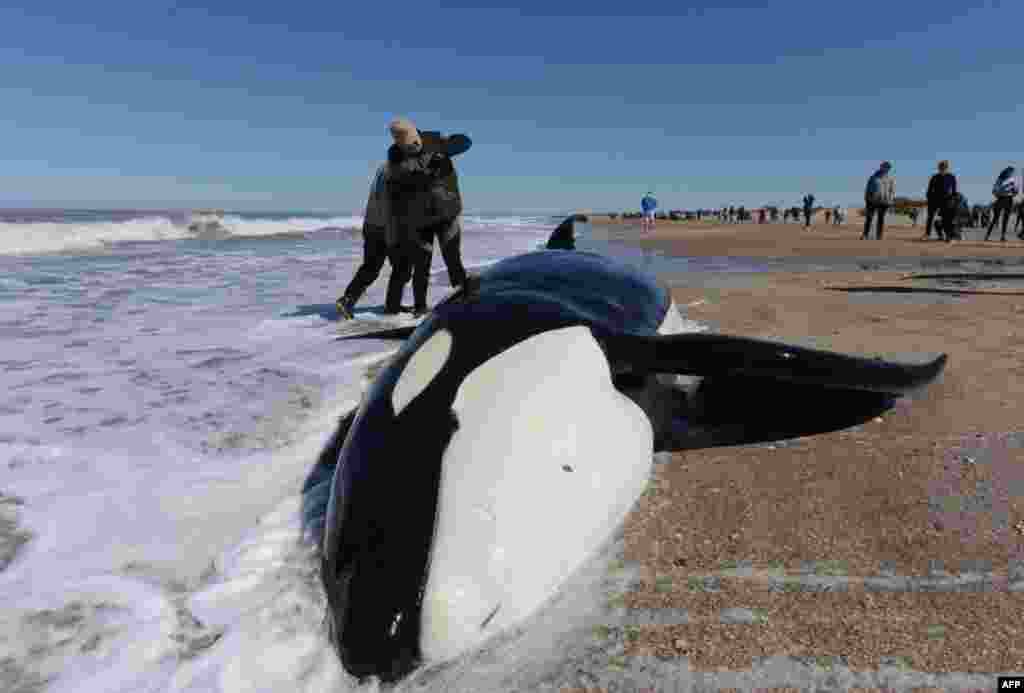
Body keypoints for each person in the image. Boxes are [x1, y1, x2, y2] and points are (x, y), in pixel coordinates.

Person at [385, 118, 478, 315]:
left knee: (452, 259)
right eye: (409, 147)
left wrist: (445, 150)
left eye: (416, 143)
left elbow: (465, 142)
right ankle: (420, 307)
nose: (415, 147)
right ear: (400, 145)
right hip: (419, 220)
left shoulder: (434, 139)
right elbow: (400, 181)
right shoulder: (394, 156)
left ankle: (464, 301)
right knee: (421, 264)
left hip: (447, 213)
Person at [335, 163, 412, 318]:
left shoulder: (385, 167)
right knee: (402, 267)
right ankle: (392, 306)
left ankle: (347, 300)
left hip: (372, 224)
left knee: (371, 267)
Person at [861, 161, 895, 240]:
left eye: (888, 168)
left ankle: (879, 235)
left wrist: (890, 199)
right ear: (881, 167)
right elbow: (867, 189)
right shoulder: (873, 177)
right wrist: (867, 199)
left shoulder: (890, 179)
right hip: (872, 201)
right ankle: (865, 234)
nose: (886, 169)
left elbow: (892, 190)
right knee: (869, 218)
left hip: (884, 201)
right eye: (884, 167)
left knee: (881, 219)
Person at [927, 161, 958, 243]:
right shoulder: (934, 177)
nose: (942, 169)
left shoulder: (951, 177)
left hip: (947, 201)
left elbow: (954, 191)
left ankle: (949, 237)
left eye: (944, 168)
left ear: (947, 168)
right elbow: (929, 190)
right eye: (941, 168)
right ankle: (928, 234)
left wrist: (953, 201)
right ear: (938, 168)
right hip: (935, 200)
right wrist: (930, 200)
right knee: (931, 217)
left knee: (947, 220)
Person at [985, 166, 1018, 242]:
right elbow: (994, 190)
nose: (1012, 174)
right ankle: (987, 235)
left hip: (1009, 199)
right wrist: (1002, 191)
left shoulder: (1012, 180)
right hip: (1001, 199)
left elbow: (1016, 190)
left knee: (1006, 219)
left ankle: (1003, 236)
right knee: (995, 218)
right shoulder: (1000, 179)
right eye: (1011, 172)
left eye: (1013, 173)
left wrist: (1015, 191)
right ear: (1007, 172)